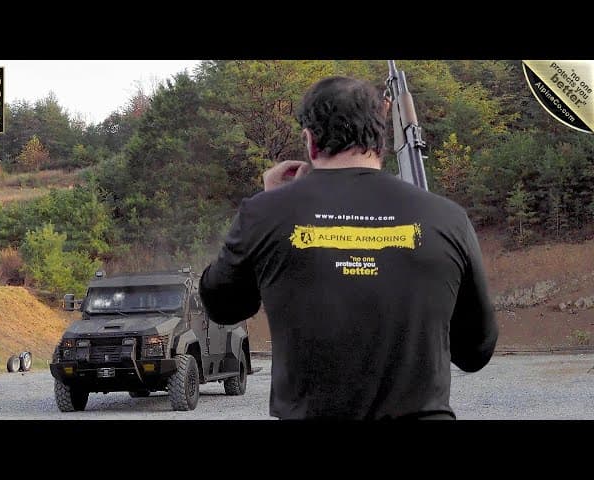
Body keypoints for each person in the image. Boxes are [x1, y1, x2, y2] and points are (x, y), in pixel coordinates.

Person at [199, 76, 498, 420]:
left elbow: (221, 305)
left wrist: (269, 206)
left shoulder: (264, 212)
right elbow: (476, 352)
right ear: (380, 141)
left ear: (310, 142)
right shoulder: (449, 218)